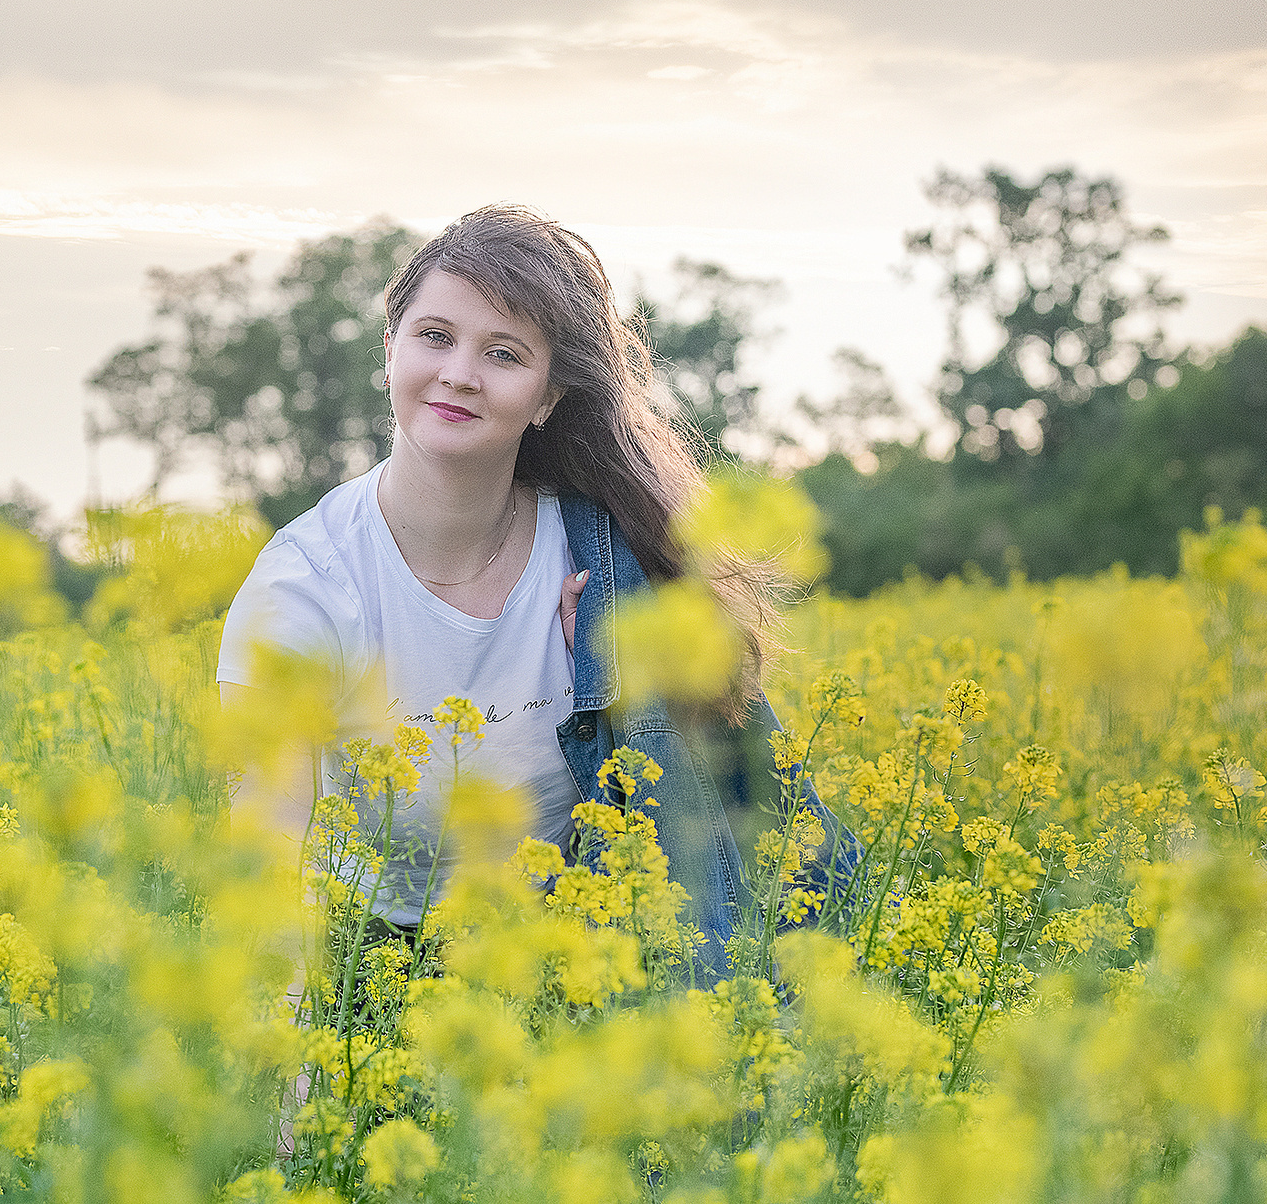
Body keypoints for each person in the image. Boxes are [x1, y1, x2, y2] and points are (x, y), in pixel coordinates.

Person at [217, 205, 858, 984]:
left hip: (571, 958)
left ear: (548, 397)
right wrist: (295, 1086)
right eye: (434, 336)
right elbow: (271, 857)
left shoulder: (606, 566)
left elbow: (719, 820)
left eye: (503, 352)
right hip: (369, 973)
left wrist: (615, 678)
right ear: (388, 351)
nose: (459, 372)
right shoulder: (307, 584)